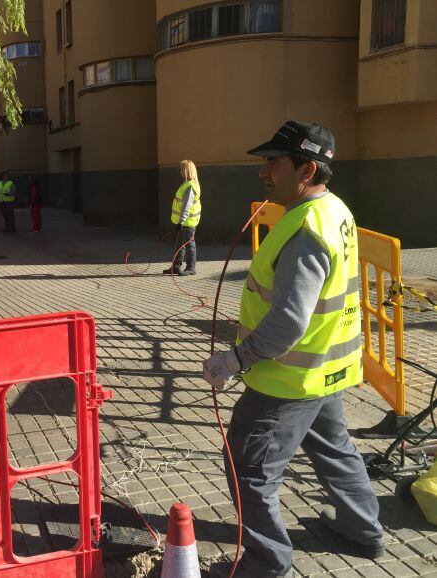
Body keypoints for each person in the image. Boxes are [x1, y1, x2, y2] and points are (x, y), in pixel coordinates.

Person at [202, 121, 384, 578]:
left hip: (287, 381)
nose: (263, 171)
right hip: (328, 369)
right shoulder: (335, 210)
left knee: (249, 467)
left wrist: (234, 360)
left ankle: (266, 564)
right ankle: (364, 531)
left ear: (306, 169)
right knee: (334, 448)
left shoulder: (304, 231)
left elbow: (287, 321)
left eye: (273, 162)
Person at [163, 159, 201, 276]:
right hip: (184, 222)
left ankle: (191, 268)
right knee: (180, 245)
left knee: (189, 244)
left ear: (187, 170)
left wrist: (181, 221)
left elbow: (187, 206)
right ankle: (175, 267)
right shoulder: (186, 183)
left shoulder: (190, 186)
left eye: (181, 169)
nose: (180, 171)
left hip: (187, 222)